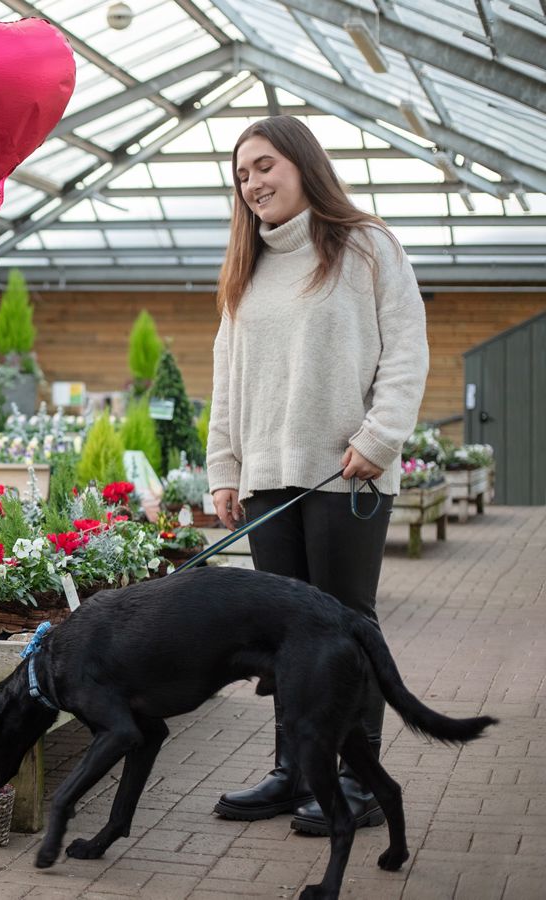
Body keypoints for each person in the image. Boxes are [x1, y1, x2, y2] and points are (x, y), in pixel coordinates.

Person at [205, 116, 429, 835]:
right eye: (242, 176)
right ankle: (295, 771)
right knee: (285, 638)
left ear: (303, 163)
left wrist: (381, 437)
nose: (253, 183)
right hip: (269, 480)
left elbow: (406, 352)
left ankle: (356, 781)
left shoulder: (367, 247)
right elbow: (226, 382)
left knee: (344, 628)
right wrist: (223, 467)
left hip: (346, 477)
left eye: (264, 166)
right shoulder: (248, 269)